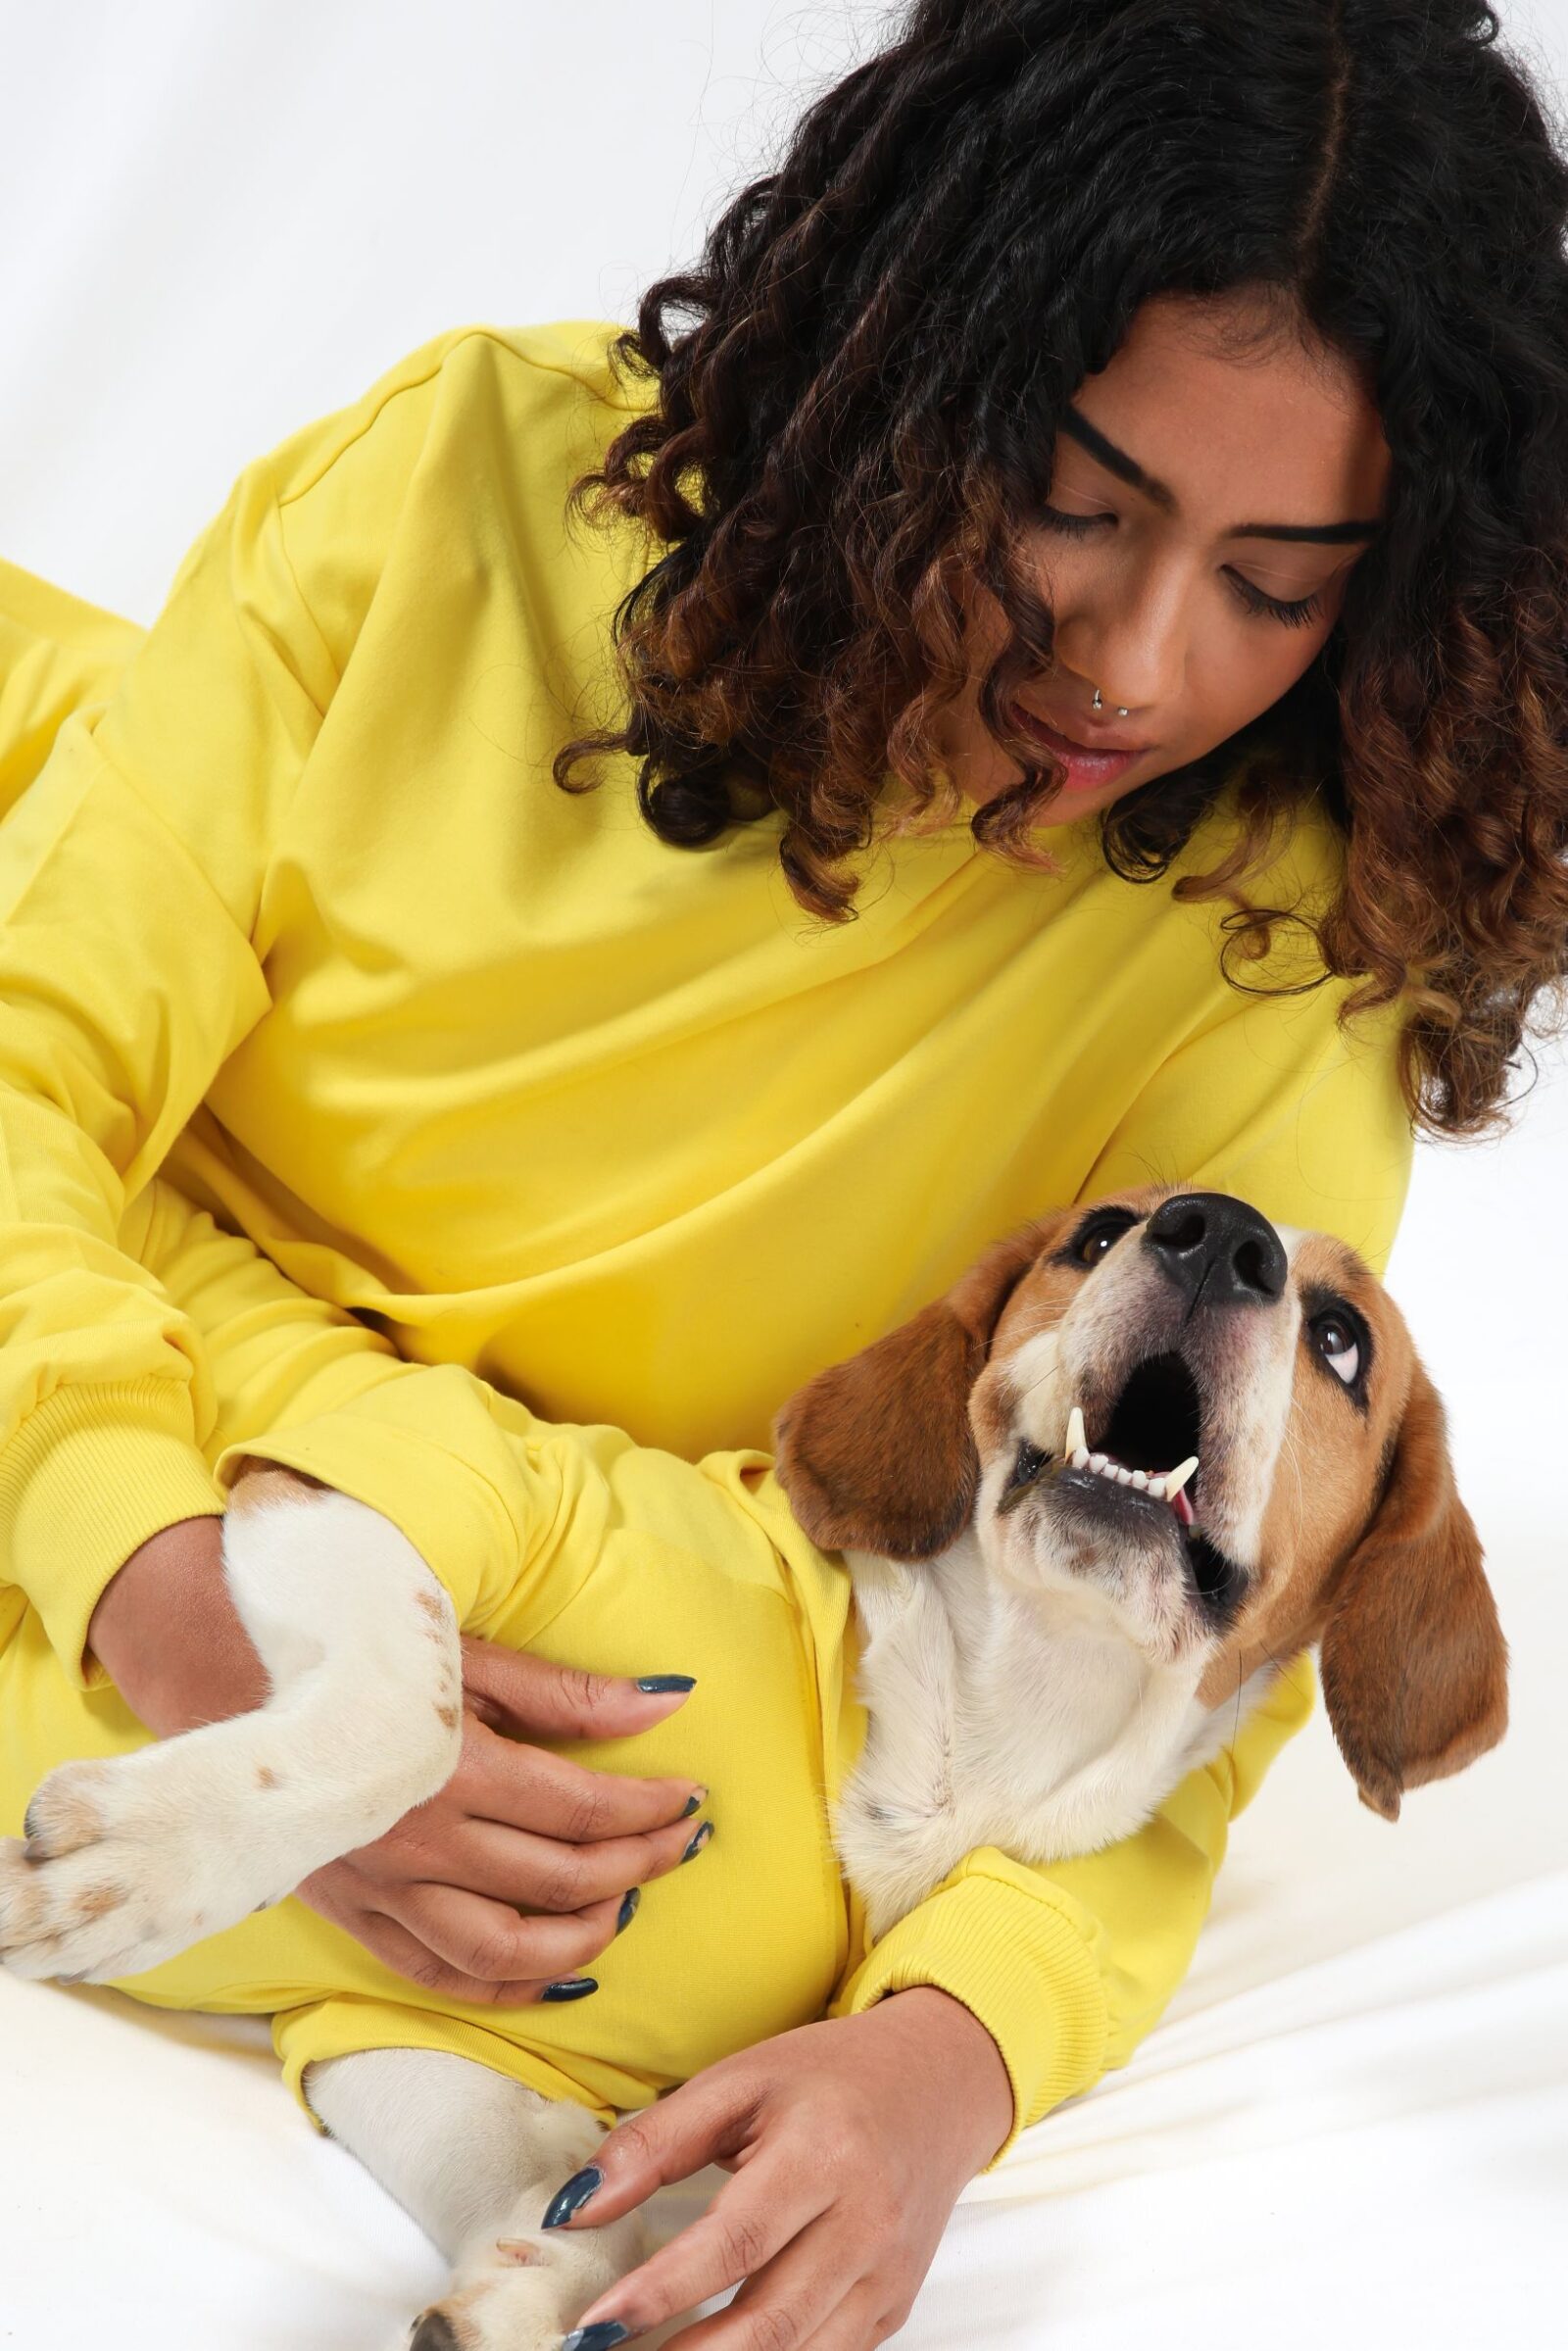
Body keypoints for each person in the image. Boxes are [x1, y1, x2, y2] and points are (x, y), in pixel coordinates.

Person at [2, 1, 1565, 2344]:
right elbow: (28, 1068)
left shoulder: (1271, 953)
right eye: (1077, 494)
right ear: (909, 367)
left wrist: (938, 2073)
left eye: (1277, 576)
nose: (1139, 660)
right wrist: (164, 1595)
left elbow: (1189, 1631)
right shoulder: (461, 500)